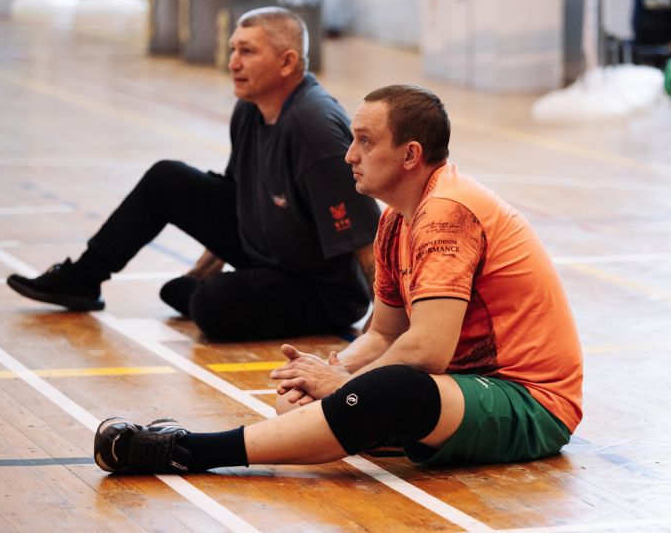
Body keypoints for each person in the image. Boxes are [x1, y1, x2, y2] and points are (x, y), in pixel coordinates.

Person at [93, 84, 583, 474]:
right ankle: (373, 422)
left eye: (365, 141)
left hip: (530, 402)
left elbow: (427, 350)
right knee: (305, 404)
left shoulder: (447, 212)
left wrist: (342, 382)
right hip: (463, 388)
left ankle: (189, 451)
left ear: (410, 154)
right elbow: (384, 334)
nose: (349, 155)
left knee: (391, 391)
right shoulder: (395, 221)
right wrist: (330, 370)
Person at [6, 7, 381, 341]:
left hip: (322, 288)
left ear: (287, 63)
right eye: (233, 49)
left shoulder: (313, 126)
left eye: (247, 52)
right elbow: (238, 201)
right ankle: (83, 279)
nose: (233, 62)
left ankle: (213, 294)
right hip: (269, 254)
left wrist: (380, 331)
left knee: (212, 304)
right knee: (167, 179)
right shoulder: (250, 108)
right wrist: (203, 269)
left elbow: (367, 240)